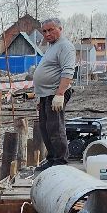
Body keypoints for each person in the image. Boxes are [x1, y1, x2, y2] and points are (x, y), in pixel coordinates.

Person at [32, 17, 76, 170]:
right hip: (46, 94)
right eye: (44, 31)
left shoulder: (65, 46)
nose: (47, 34)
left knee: (55, 128)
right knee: (45, 128)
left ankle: (60, 161)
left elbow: (68, 71)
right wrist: (40, 97)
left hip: (56, 92)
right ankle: (52, 158)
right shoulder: (52, 47)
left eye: (51, 30)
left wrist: (60, 94)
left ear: (60, 29)